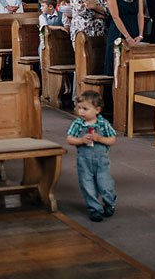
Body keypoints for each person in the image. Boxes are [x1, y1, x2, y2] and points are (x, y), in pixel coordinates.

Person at [65, 90, 117, 223]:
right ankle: (95, 209)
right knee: (87, 185)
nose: (81, 112)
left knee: (105, 184)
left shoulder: (103, 124)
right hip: (84, 162)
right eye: (80, 108)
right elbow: (70, 139)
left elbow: (112, 140)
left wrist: (100, 138)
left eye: (85, 109)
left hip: (101, 161)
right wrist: (81, 140)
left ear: (97, 110)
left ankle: (109, 203)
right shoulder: (78, 124)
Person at [104, 0, 144, 75]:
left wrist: (140, 35)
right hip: (119, 31)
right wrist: (127, 38)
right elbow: (115, 16)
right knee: (117, 67)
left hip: (134, 29)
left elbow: (140, 14)